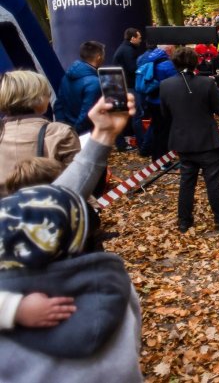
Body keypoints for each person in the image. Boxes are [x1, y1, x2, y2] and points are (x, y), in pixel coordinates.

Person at [0, 95, 142, 383]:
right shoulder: (118, 286)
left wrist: (11, 309)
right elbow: (57, 208)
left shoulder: (12, 325)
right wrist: (102, 136)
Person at [161, 47, 219, 232]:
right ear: (196, 62)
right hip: (208, 142)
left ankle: (184, 221)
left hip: (183, 142)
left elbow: (165, 114)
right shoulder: (206, 83)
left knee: (186, 182)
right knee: (213, 182)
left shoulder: (165, 85)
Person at [0, 71, 80, 195]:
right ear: (37, 97)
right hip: (53, 209)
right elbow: (78, 183)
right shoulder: (59, 133)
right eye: (46, 93)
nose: (49, 97)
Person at [135, 44, 178, 160]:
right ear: (168, 50)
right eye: (174, 49)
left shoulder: (146, 59)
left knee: (156, 128)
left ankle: (151, 153)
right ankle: (162, 159)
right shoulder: (168, 65)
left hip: (150, 100)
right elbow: (177, 82)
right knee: (164, 132)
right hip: (162, 103)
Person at [53, 41, 104, 134]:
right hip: (86, 134)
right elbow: (87, 114)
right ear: (98, 57)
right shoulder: (94, 82)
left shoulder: (66, 77)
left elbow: (59, 104)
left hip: (67, 130)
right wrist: (75, 133)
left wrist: (62, 128)